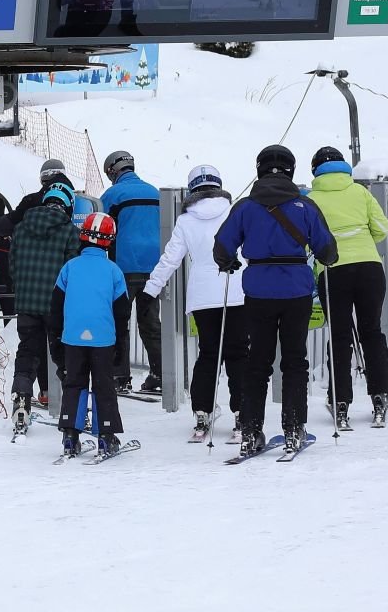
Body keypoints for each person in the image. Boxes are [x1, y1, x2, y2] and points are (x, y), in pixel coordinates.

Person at [212, 145, 337, 457]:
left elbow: (222, 247)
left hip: (257, 291)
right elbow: (328, 251)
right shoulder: (305, 207)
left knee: (258, 363)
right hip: (296, 290)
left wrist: (230, 263)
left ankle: (251, 431)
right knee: (295, 361)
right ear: (291, 171)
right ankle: (294, 427)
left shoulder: (244, 208)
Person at [144, 164, 249, 443]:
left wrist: (150, 289)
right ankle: (242, 413)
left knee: (208, 354)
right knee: (238, 354)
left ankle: (202, 412)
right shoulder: (234, 211)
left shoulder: (186, 221)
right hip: (236, 291)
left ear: (192, 190)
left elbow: (170, 259)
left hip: (203, 296)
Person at [306, 147, 388, 429]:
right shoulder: (361, 193)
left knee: (340, 336)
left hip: (333, 271)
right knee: (372, 331)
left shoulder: (311, 199)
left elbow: (306, 240)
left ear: (315, 170)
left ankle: (340, 400)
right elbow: (381, 228)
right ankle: (380, 395)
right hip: (369, 267)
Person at [52, 212, 130, 458]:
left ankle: (70, 435)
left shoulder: (69, 268)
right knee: (103, 385)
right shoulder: (114, 271)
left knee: (74, 382)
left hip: (72, 337)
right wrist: (120, 343)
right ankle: (106, 435)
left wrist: (56, 338)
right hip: (103, 338)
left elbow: (55, 306)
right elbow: (122, 312)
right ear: (110, 240)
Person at [7, 181, 80, 422]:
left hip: (27, 302)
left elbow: (13, 266)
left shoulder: (21, 227)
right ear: (67, 204)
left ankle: (21, 398)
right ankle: (71, 406)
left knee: (28, 351)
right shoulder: (69, 230)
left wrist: (22, 290)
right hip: (56, 304)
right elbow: (72, 269)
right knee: (63, 353)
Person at [99, 149, 162, 394]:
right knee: (151, 323)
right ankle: (158, 374)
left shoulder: (113, 194)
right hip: (154, 269)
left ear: (113, 170)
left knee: (119, 323)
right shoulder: (155, 192)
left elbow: (99, 224)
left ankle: (119, 377)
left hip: (123, 268)